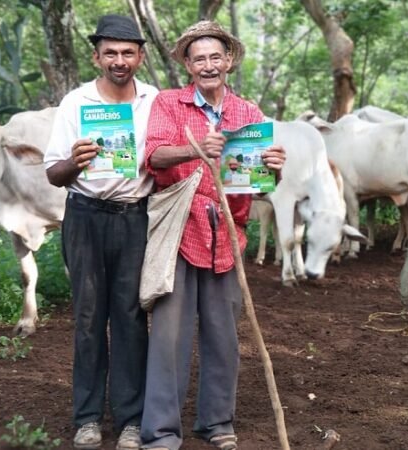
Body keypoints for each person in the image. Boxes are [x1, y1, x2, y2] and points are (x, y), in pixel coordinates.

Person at [139, 20, 286, 450]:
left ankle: (217, 423)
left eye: (215, 57)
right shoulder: (169, 104)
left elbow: (258, 185)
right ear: (187, 64)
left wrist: (274, 168)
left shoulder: (248, 113)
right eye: (198, 58)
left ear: (229, 61)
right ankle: (162, 432)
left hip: (229, 236)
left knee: (223, 335)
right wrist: (196, 148)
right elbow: (153, 155)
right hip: (180, 232)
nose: (208, 65)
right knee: (169, 336)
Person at [43, 14, 158, 450]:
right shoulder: (76, 103)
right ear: (96, 56)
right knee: (89, 319)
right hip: (85, 217)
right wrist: (77, 160)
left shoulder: (154, 100)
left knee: (130, 317)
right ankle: (87, 417)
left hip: (134, 218)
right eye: (110, 52)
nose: (119, 60)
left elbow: (166, 156)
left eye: (128, 52)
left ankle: (131, 419)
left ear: (141, 56)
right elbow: (55, 174)